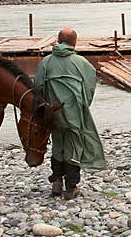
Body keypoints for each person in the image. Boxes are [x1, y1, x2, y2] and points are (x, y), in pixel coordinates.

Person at [34, 28, 106, 199]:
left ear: (58, 41)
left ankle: (57, 182)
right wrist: (82, 107)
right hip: (74, 114)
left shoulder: (45, 62)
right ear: (75, 42)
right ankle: (71, 187)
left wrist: (46, 110)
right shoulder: (82, 64)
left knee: (57, 146)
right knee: (74, 148)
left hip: (52, 114)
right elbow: (89, 89)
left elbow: (37, 88)